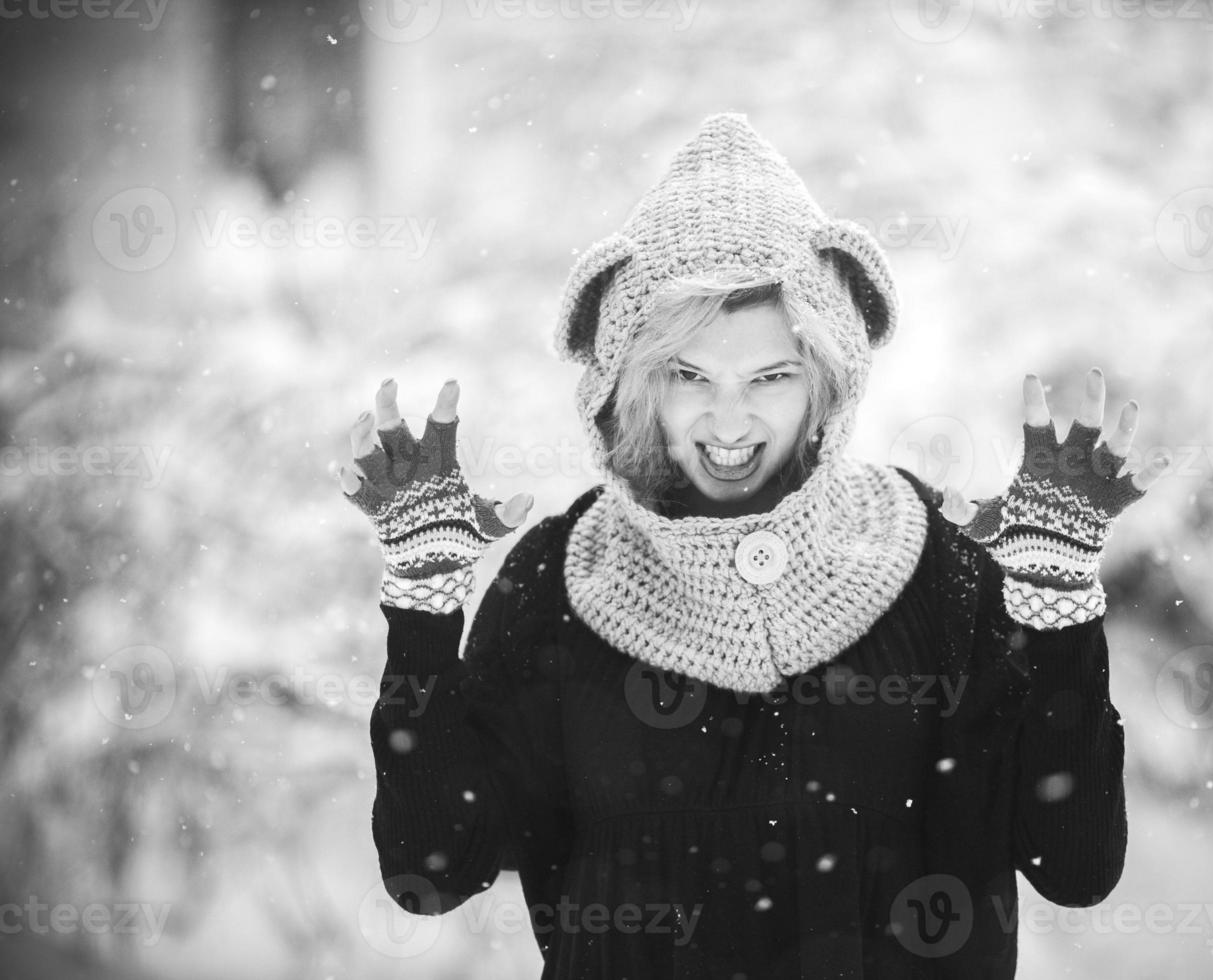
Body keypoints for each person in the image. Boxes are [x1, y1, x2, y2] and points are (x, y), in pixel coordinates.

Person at [340, 112, 1167, 979]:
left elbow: (1075, 868)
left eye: (771, 376)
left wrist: (1061, 611)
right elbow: (431, 871)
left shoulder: (938, 569)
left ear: (828, 382)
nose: (728, 421)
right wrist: (423, 607)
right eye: (688, 375)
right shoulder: (556, 582)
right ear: (631, 382)